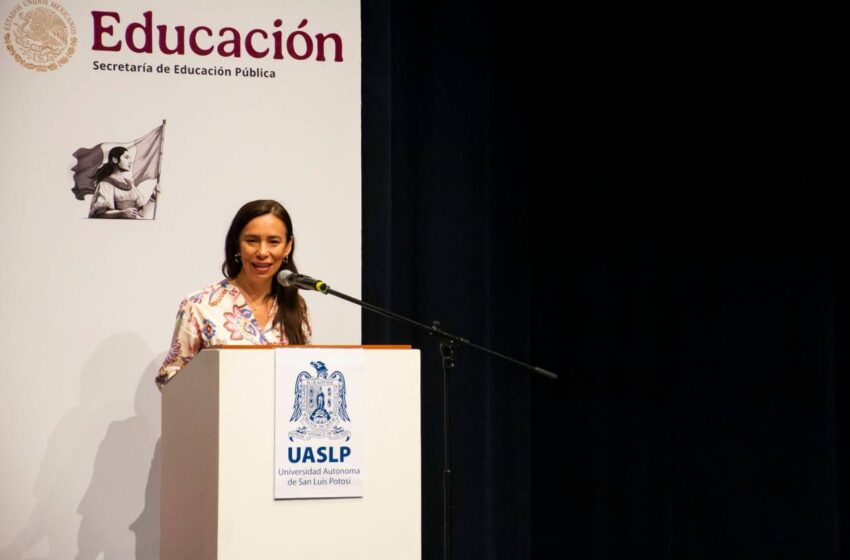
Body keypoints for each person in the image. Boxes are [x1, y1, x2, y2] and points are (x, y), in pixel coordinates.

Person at [156, 200, 311, 388]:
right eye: (252, 241)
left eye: (273, 242)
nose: (262, 252)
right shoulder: (200, 305)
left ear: (287, 246)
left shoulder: (296, 305)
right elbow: (170, 380)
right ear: (237, 244)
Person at [89, 146, 157, 219]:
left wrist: (153, 197)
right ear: (115, 160)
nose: (130, 161)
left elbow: (141, 214)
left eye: (130, 158)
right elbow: (100, 214)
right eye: (126, 157)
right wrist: (121, 213)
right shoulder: (105, 184)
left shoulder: (130, 184)